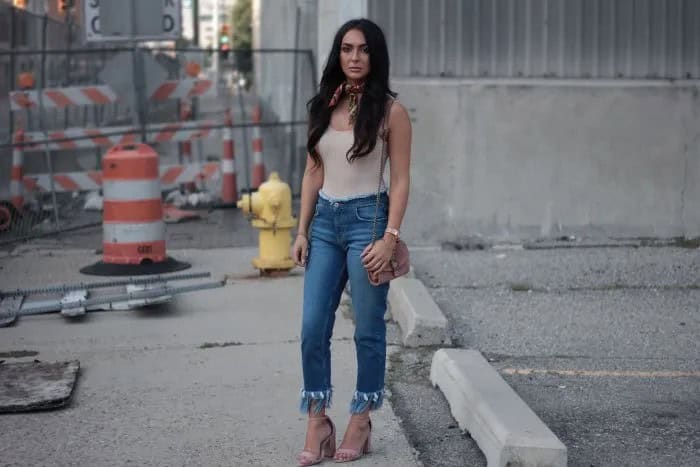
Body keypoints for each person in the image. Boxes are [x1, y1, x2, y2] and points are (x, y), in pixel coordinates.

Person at [291, 18, 412, 466]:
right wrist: (301, 229)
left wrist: (389, 238)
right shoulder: (324, 104)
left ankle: (361, 419)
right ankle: (318, 421)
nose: (355, 57)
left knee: (368, 328)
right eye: (347, 49)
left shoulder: (390, 112)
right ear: (337, 55)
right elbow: (312, 171)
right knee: (311, 328)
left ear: (374, 56)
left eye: (363, 50)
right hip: (324, 223)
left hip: (368, 222)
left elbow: (399, 181)